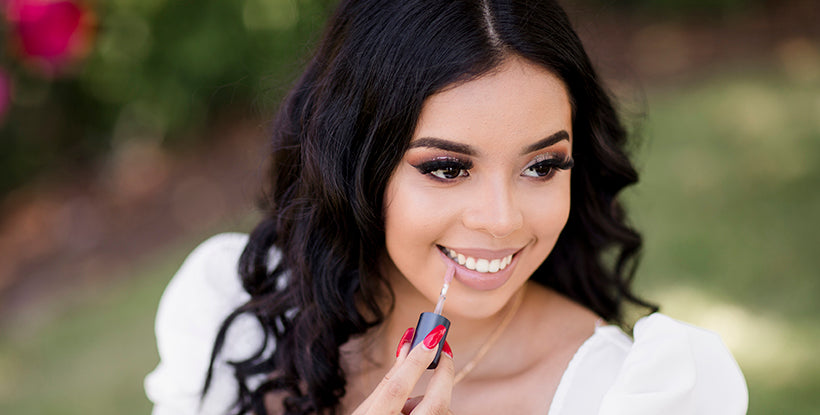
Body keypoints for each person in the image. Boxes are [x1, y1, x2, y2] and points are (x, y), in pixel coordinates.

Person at [144, 0, 748, 414]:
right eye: (447, 168)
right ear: (358, 163)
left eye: (541, 166)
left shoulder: (628, 395)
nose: (503, 219)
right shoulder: (238, 311)